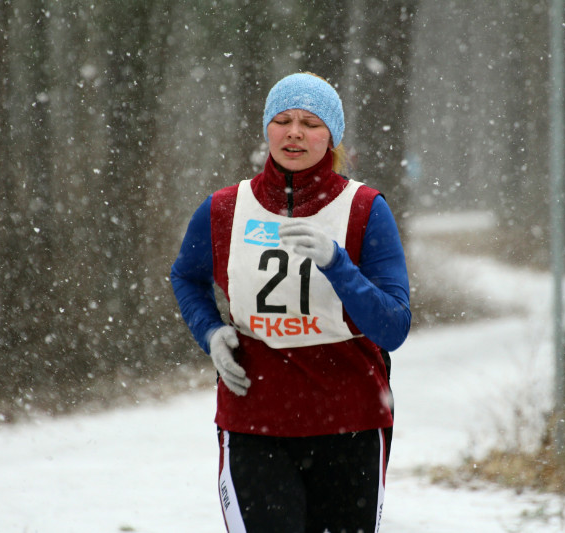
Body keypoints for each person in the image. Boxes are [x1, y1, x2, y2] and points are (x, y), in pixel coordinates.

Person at [170, 72, 411, 532]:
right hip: (254, 419)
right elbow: (185, 275)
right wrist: (210, 331)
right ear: (267, 129)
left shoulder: (364, 209)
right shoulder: (224, 209)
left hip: (351, 422)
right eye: (282, 120)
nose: (294, 132)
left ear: (332, 137)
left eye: (310, 123)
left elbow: (393, 327)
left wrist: (338, 264)